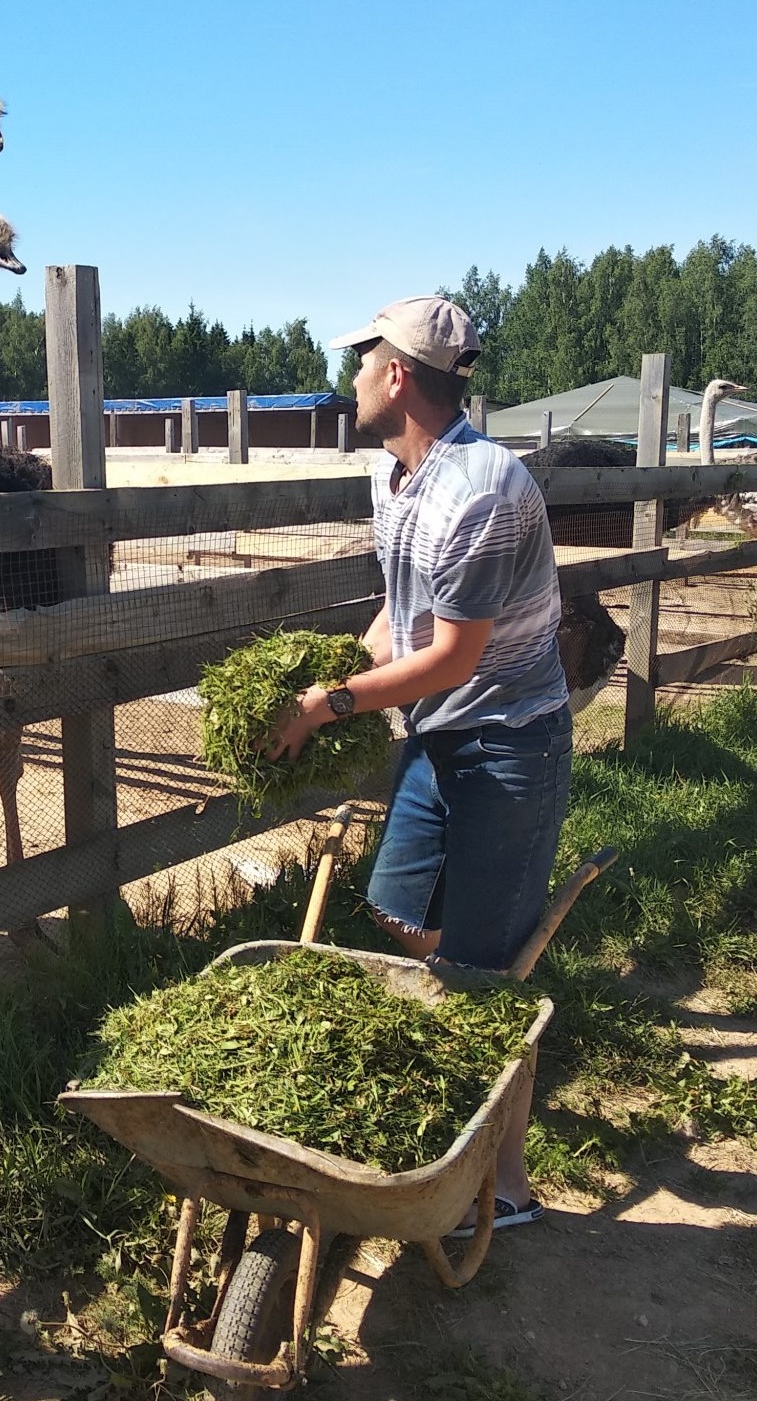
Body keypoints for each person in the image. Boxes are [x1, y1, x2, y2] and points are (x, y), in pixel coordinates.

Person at [266, 295, 572, 1236]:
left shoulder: (481, 490)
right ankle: (454, 1107)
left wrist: (329, 705)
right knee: (401, 913)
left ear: (396, 375)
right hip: (438, 738)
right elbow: (403, 618)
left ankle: (504, 1185)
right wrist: (336, 670)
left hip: (508, 743)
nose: (349, 376)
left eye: (360, 361)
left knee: (484, 974)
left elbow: (451, 657)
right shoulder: (393, 477)